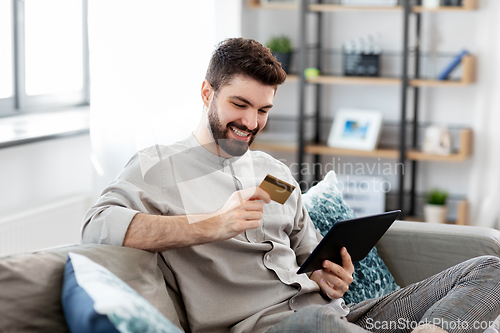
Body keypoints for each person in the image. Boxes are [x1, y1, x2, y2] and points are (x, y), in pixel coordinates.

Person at [82, 37, 500, 333]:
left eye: (263, 110)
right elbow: (97, 226)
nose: (251, 122)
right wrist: (214, 224)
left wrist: (332, 278)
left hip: (337, 316)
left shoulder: (275, 173)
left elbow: (310, 260)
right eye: (239, 104)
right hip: (269, 327)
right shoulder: (156, 166)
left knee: (490, 268)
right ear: (207, 92)